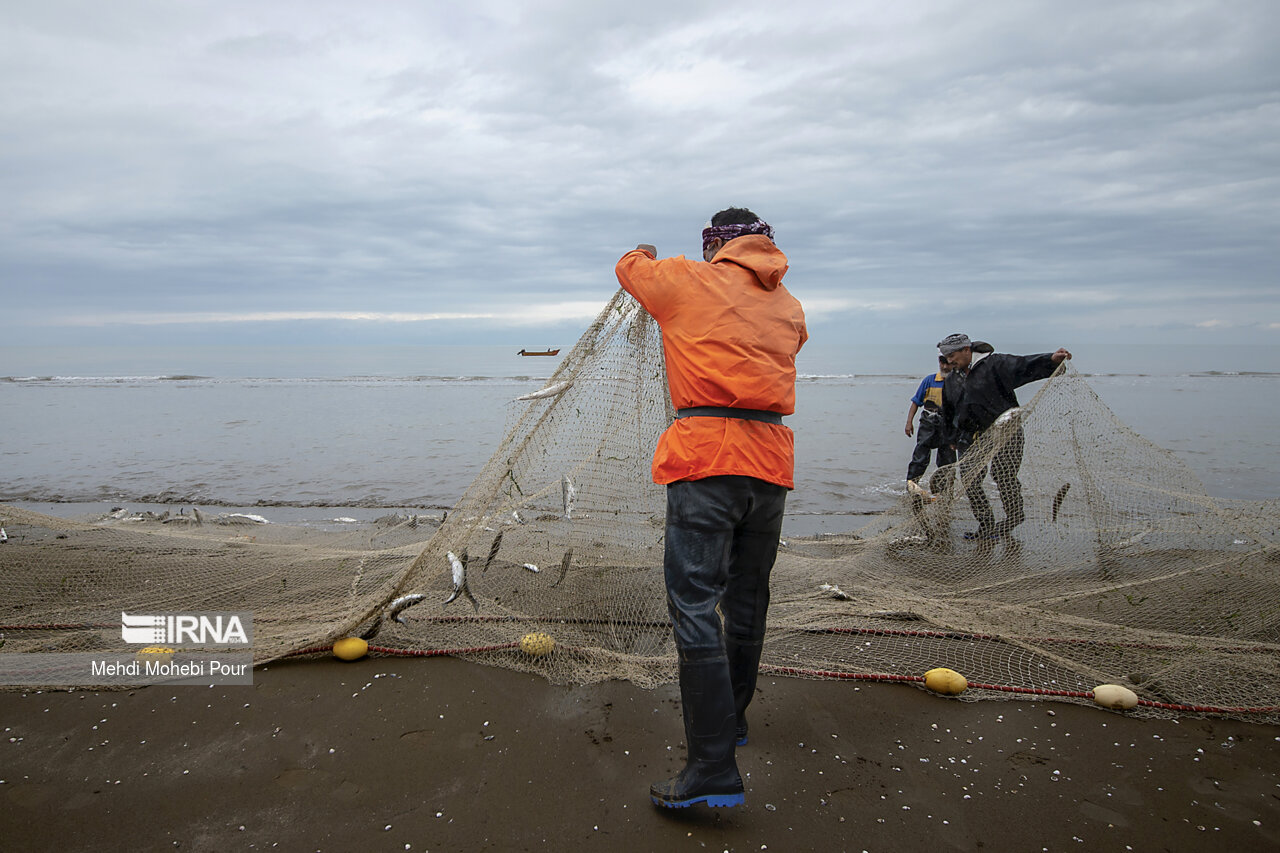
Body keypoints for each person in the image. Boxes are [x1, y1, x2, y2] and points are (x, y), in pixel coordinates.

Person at [615, 207, 807, 810]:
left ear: (713, 246)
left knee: (694, 605)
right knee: (747, 600)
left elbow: (630, 269)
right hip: (770, 464)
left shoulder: (685, 280)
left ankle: (711, 768)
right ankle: (735, 723)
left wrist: (642, 249)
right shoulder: (790, 305)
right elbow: (785, 343)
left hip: (705, 459)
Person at [937, 333, 1071, 540]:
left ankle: (1014, 516)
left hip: (1006, 432)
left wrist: (1050, 360)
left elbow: (1024, 365)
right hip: (970, 437)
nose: (949, 361)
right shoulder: (952, 379)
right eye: (946, 357)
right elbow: (948, 410)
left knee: (1003, 476)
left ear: (967, 350)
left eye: (952, 355)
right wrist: (951, 438)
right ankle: (986, 524)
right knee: (970, 481)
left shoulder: (995, 364)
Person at [904, 355, 956, 489]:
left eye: (948, 364)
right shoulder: (930, 380)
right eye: (942, 363)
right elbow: (915, 402)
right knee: (920, 457)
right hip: (928, 423)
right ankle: (912, 486)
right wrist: (909, 422)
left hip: (949, 426)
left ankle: (944, 491)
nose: (945, 367)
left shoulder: (957, 382)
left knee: (947, 461)